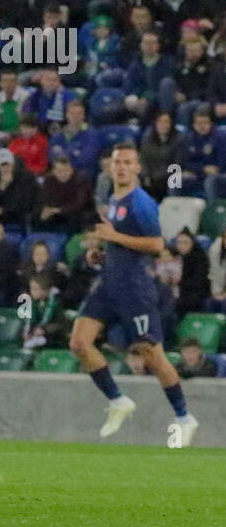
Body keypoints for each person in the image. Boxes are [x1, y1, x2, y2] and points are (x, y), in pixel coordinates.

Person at [70, 143, 199, 444]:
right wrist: (103, 253)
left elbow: (156, 245)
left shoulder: (142, 203)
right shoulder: (114, 199)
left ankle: (184, 416)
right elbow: (124, 245)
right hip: (109, 283)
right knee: (78, 343)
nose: (122, 167)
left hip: (134, 289)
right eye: (117, 162)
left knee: (152, 354)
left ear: (137, 168)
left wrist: (114, 237)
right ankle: (118, 401)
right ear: (110, 166)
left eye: (128, 162)